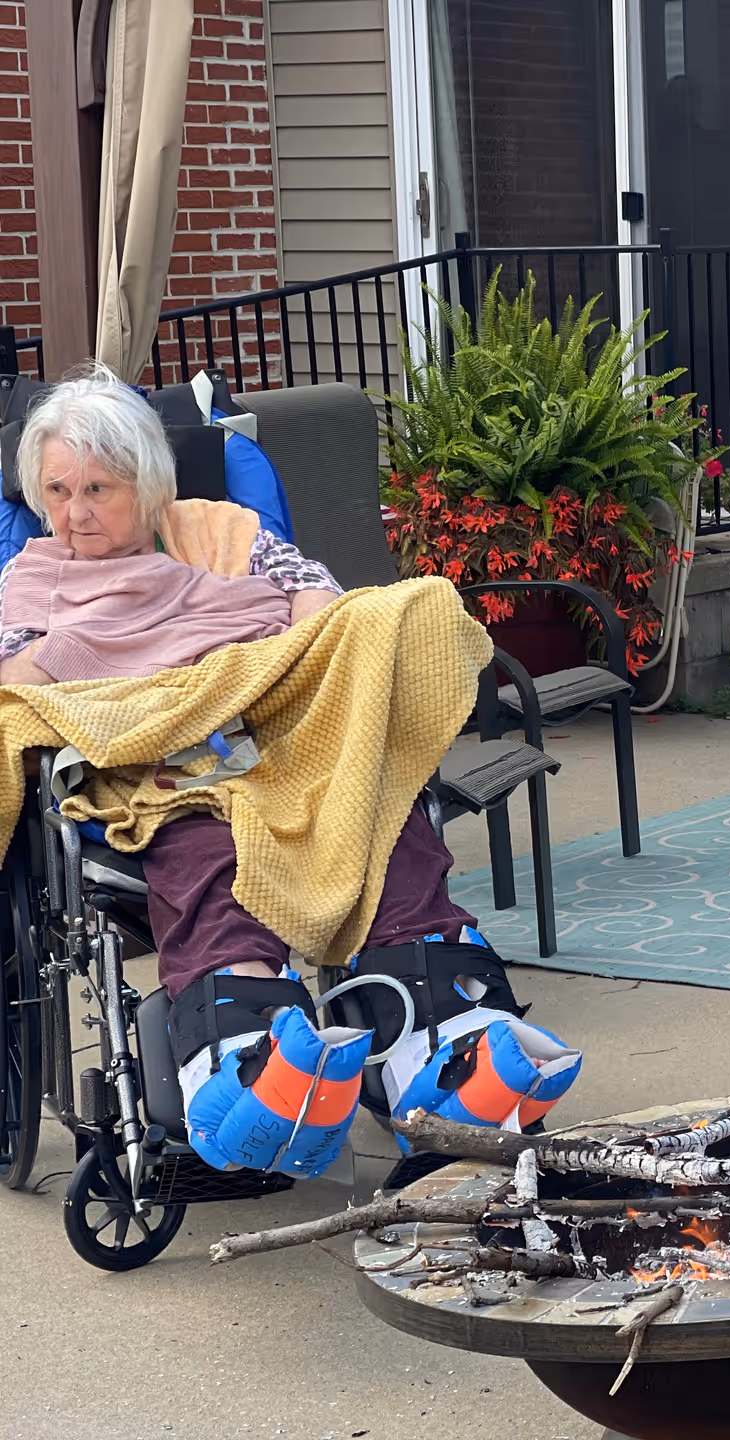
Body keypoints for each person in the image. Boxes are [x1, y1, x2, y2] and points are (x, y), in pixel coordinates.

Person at [2, 364, 581, 1179]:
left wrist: (246, 671)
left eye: (99, 488)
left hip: (276, 742)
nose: (76, 513)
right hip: (161, 774)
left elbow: (324, 605)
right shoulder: (31, 579)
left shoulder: (220, 531)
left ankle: (448, 1038)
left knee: (381, 818)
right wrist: (144, 681)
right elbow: (21, 691)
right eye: (57, 491)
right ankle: (248, 1049)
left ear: (148, 480)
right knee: (209, 852)